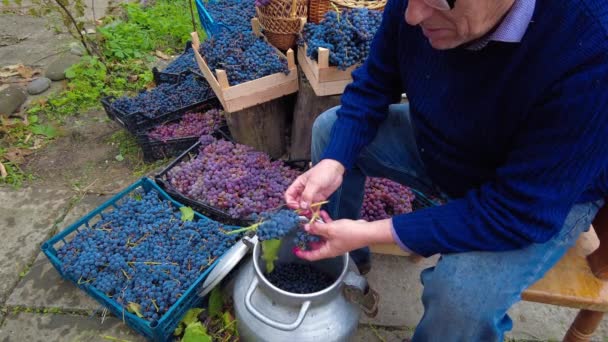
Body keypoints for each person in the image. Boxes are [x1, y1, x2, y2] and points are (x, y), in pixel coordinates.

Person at [285, 0, 608, 340]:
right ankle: (342, 260)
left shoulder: (592, 51)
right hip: (451, 143)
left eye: (439, 2)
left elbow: (517, 212)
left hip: (541, 193)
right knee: (330, 132)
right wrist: (334, 162)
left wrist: (373, 230)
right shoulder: (417, 6)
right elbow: (375, 84)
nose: (412, 16)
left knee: (460, 299)